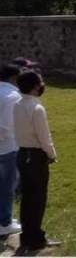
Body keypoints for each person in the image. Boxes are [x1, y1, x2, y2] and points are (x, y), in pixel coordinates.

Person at [13, 71, 60, 252]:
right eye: (40, 82)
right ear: (35, 86)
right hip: (36, 155)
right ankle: (36, 239)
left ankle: (27, 236)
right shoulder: (36, 108)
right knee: (38, 199)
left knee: (27, 198)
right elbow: (44, 136)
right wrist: (52, 154)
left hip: (22, 153)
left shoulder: (17, 104)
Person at [0, 64, 21, 236]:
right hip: (6, 147)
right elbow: (5, 127)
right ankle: (4, 222)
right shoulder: (12, 96)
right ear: (14, 78)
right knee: (7, 185)